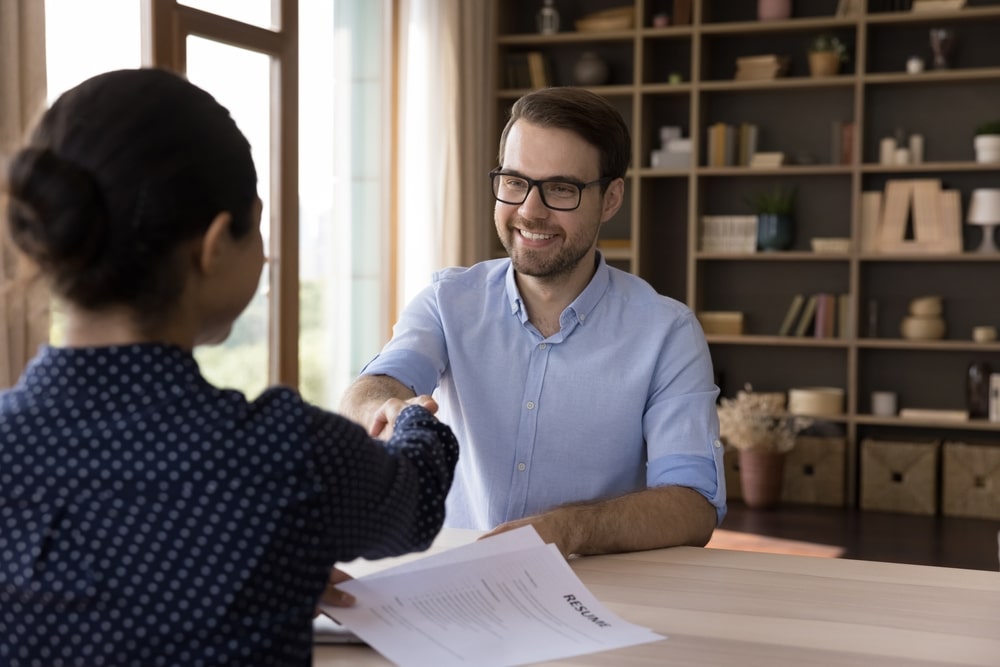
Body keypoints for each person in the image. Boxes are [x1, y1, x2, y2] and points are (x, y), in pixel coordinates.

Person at [0, 68, 458, 666]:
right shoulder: (288, 453)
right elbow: (416, 504)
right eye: (258, 225)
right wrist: (416, 420)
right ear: (214, 245)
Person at [340, 87, 725, 559]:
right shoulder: (447, 301)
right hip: (454, 579)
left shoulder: (668, 333)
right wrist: (384, 407)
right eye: (515, 181)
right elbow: (373, 387)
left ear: (610, 199)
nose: (529, 210)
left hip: (594, 589)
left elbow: (693, 505)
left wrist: (571, 529)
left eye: (561, 188)